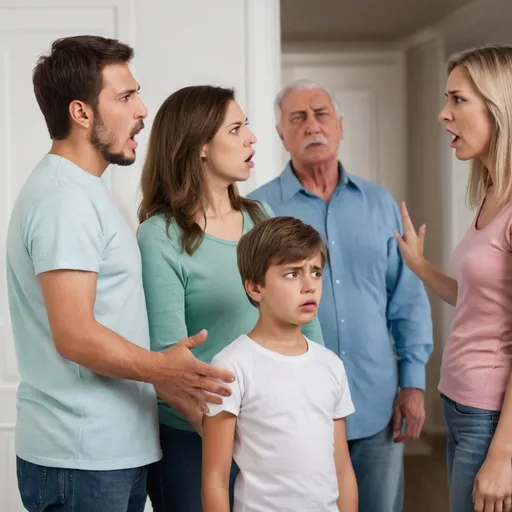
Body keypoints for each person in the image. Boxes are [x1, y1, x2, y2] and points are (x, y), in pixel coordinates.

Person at [6, 36, 234, 512]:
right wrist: (165, 368)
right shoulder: (63, 200)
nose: (142, 109)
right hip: (81, 458)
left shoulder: (87, 192)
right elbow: (75, 335)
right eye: (126, 97)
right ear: (82, 112)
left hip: (108, 454)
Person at [136, 85, 324, 512]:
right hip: (194, 440)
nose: (251, 138)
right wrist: (227, 435)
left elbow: (305, 319)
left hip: (271, 429)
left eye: (247, 127)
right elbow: (168, 361)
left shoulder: (261, 218)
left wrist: (310, 408)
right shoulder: (161, 235)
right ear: (199, 147)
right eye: (236, 129)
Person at [249, 79, 433, 512]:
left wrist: (413, 381)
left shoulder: (380, 204)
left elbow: (406, 297)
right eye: (298, 117)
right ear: (280, 133)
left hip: (376, 404)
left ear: (340, 126)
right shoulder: (258, 211)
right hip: (293, 411)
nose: (312, 125)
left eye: (321, 114)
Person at [395, 44, 512, 512]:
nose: (444, 114)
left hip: (492, 419)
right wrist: (420, 267)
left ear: (499, 105)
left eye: (457, 99)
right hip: (463, 408)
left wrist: (504, 452)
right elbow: (480, 299)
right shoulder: (491, 197)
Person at [202, 216, 358, 512]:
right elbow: (214, 478)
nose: (309, 286)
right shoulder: (230, 367)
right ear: (254, 287)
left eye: (315, 272)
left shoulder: (331, 366)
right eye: (292, 274)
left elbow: (343, 470)